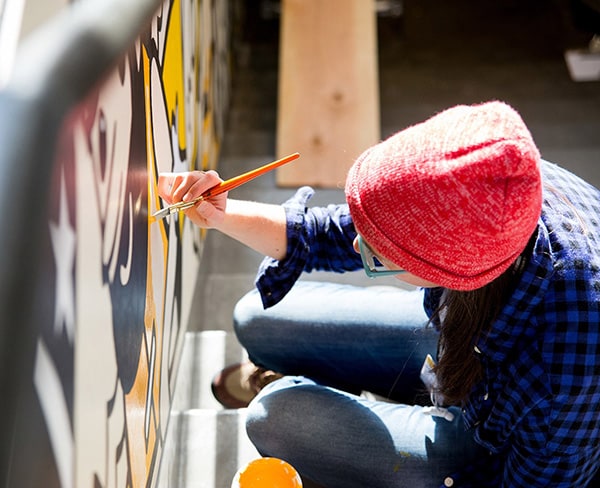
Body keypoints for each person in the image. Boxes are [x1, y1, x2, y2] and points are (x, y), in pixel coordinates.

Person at [158, 101, 600, 487]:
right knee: (256, 316)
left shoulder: (560, 383)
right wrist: (220, 214)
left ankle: (336, 405)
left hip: (494, 453)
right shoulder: (490, 181)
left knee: (275, 417)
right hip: (464, 341)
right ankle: (349, 398)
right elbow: (328, 233)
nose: (356, 246)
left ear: (446, 269)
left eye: (378, 254)